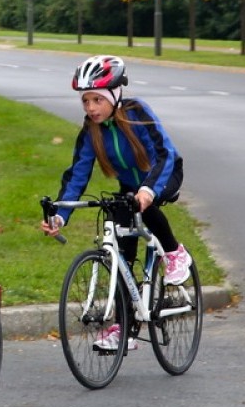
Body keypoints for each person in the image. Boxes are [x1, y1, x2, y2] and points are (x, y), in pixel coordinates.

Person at [40, 54, 192, 350]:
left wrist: (149, 190)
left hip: (165, 172)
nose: (91, 108)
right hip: (130, 187)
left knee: (147, 209)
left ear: (113, 95)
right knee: (121, 256)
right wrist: (60, 215)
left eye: (97, 100)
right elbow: (76, 177)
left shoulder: (136, 112)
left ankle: (174, 252)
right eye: (86, 101)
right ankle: (124, 328)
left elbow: (164, 154)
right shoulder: (91, 130)